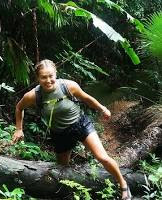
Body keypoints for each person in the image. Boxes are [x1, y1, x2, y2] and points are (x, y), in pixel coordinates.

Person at [12, 59, 131, 200]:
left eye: (51, 76)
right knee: (63, 168)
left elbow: (87, 98)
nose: (48, 80)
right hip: (59, 133)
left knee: (102, 158)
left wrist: (102, 108)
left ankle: (123, 184)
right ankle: (69, 193)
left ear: (56, 74)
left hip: (80, 125)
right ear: (38, 78)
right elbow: (19, 108)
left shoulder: (68, 86)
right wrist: (19, 129)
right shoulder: (33, 96)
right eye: (43, 77)